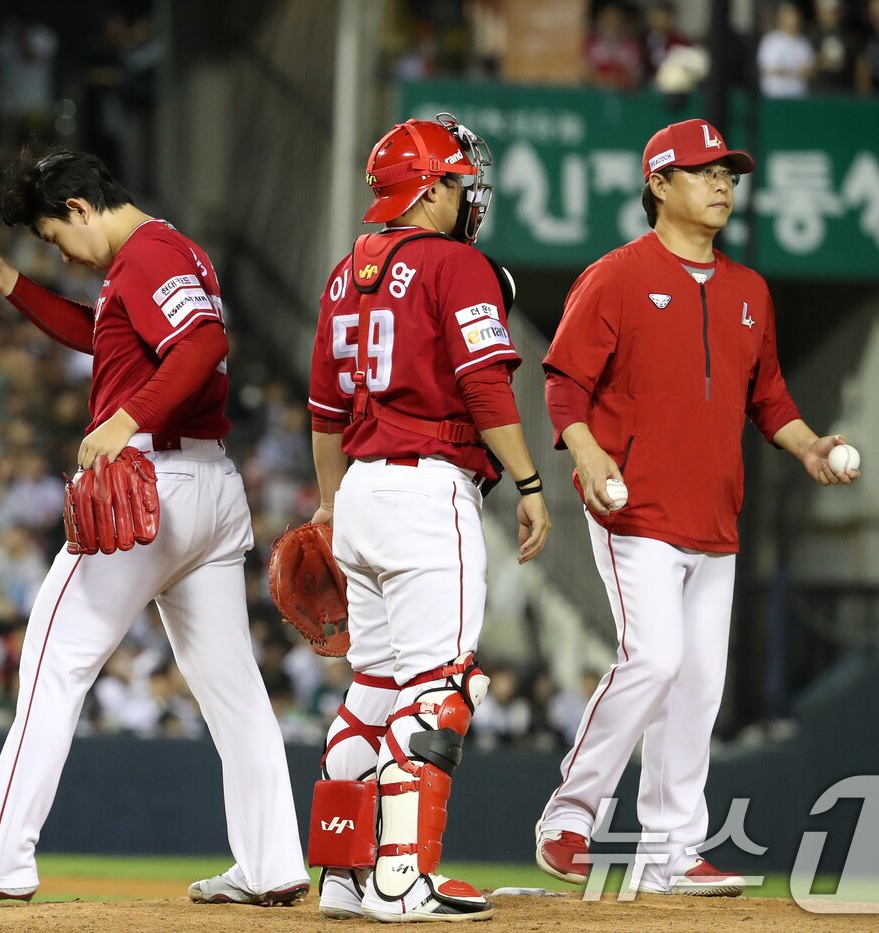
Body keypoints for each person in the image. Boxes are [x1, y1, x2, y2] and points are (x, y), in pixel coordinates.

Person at [0, 144, 308, 906]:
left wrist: (127, 417)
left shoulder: (149, 253)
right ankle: (270, 862)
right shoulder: (169, 250)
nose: (65, 252)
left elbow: (205, 345)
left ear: (81, 208)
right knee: (235, 691)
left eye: (58, 237)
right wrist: (14, 285)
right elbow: (108, 335)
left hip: (154, 480)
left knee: (54, 663)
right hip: (211, 488)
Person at [533, 118, 861, 896]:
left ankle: (671, 851)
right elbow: (562, 383)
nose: (723, 184)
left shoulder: (750, 290)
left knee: (700, 684)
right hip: (633, 507)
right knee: (653, 658)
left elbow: (768, 395)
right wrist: (586, 453)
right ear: (658, 183)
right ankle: (568, 819)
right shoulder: (615, 275)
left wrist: (809, 445)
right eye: (705, 170)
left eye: (729, 173)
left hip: (715, 516)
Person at [306, 115, 551, 922]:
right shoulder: (457, 264)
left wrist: (334, 506)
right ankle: (401, 877)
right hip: (425, 489)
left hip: (361, 493)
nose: (467, 192)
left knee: (371, 686)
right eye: (458, 179)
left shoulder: (345, 274)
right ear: (432, 187)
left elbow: (324, 412)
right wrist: (528, 480)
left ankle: (343, 876)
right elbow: (486, 388)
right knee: (438, 688)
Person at [757, 2, 815, 98]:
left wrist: (788, 71)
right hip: (774, 96)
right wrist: (798, 71)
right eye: (790, 17)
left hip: (798, 97)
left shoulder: (804, 43)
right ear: (781, 19)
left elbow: (810, 72)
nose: (794, 21)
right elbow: (771, 69)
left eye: (796, 17)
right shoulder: (770, 40)